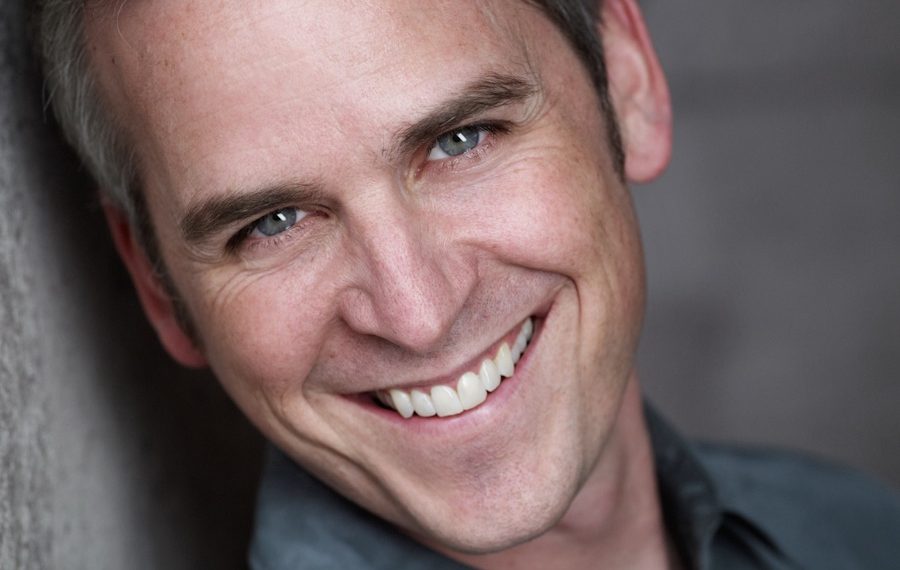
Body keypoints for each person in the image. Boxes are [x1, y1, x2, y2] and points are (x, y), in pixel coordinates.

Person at [33, 0, 900, 568]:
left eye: (461, 140)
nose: (417, 313)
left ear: (625, 81)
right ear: (157, 283)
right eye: (274, 223)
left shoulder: (850, 528)